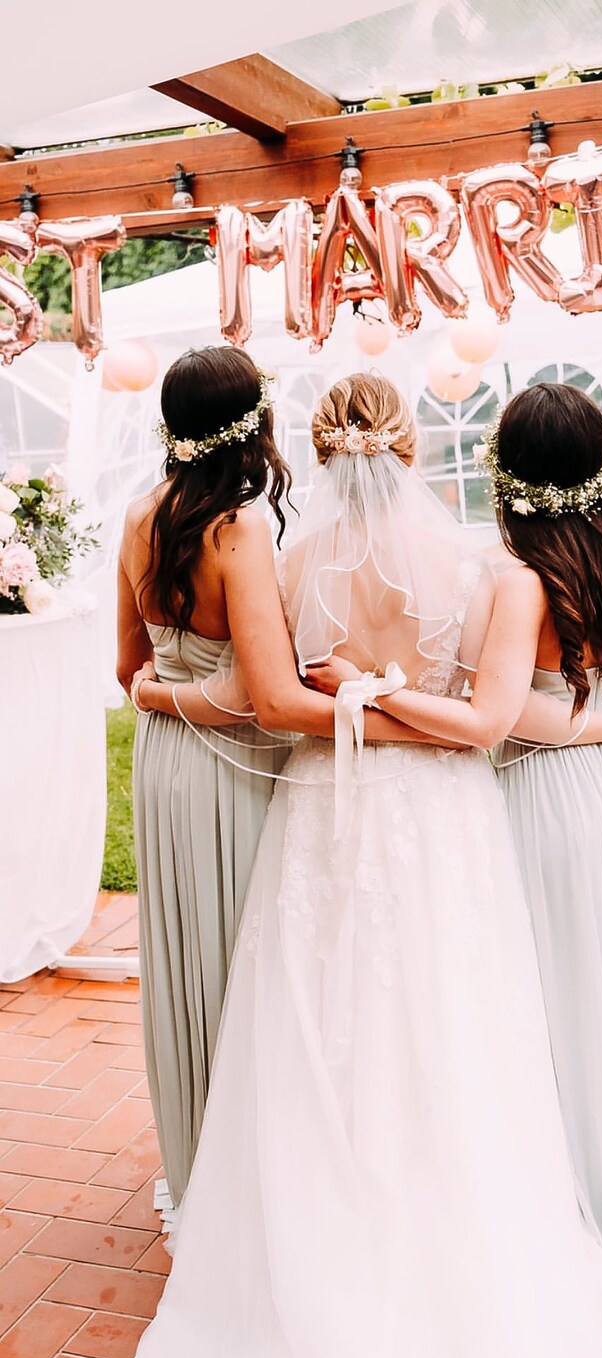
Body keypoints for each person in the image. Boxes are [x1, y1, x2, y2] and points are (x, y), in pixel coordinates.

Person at [107, 373, 602, 1358]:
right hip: (439, 810)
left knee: (319, 1012)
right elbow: (477, 709)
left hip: (322, 807)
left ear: (318, 451)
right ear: (409, 448)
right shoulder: (467, 562)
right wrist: (401, 704)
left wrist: (346, 696)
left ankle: (321, 1219)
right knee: (450, 1016)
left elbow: (274, 707)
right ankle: (453, 1212)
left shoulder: (284, 558)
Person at [325, 382, 602, 1277]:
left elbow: (490, 721)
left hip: (542, 805)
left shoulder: (518, 582)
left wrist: (369, 686)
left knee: (550, 999)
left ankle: (569, 1197)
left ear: (507, 473)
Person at [117, 349, 441, 1217]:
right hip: (229, 767)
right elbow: (270, 701)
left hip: (164, 763)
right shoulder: (240, 527)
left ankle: (194, 1164)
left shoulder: (138, 515)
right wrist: (394, 722)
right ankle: (245, 1190)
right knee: (238, 965)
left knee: (184, 956)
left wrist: (167, 694)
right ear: (254, 425)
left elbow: (128, 670)